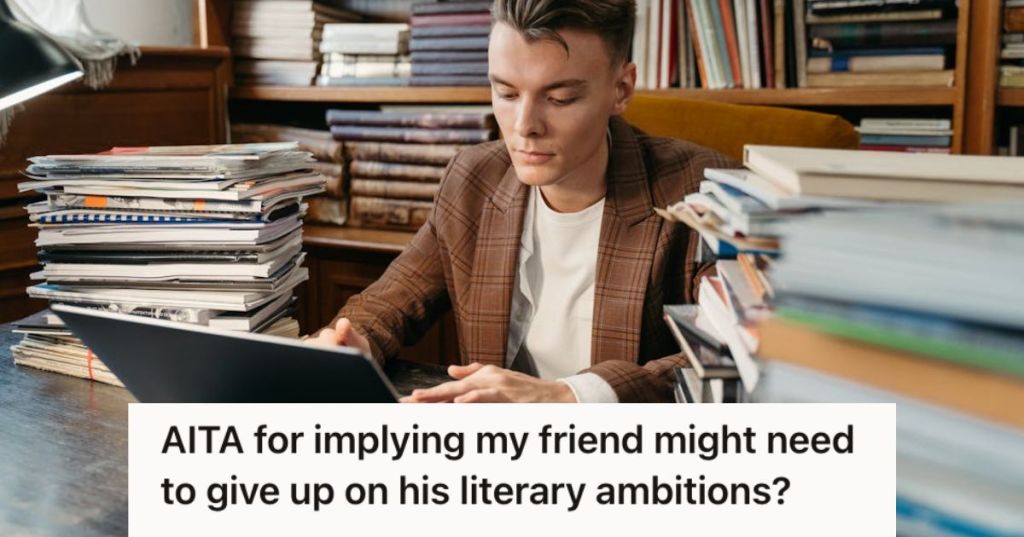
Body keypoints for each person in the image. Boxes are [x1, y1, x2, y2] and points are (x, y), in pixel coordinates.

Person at [306, 0, 735, 403]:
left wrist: (570, 397)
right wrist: (355, 339)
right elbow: (389, 302)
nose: (524, 126)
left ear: (621, 89)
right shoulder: (473, 178)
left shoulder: (707, 191)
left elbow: (732, 355)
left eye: (559, 98)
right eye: (507, 94)